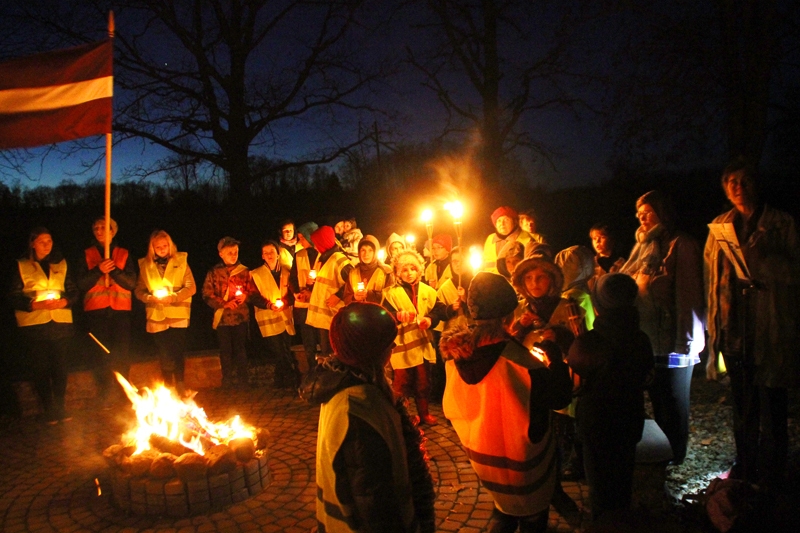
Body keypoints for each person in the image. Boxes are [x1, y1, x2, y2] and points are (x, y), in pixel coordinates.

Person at [441, 272, 572, 533]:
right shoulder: (523, 365)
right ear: (507, 317)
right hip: (526, 467)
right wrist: (555, 360)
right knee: (532, 518)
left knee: (504, 512)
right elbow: (560, 397)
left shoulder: (456, 359)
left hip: (486, 465)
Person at [705, 159, 800, 486]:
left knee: (773, 404)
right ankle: (745, 465)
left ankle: (776, 471)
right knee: (742, 405)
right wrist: (713, 329)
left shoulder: (780, 224)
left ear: (756, 184)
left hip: (770, 329)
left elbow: (795, 274)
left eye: (744, 180)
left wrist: (768, 261)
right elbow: (711, 280)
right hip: (735, 330)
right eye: (731, 180)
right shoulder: (719, 227)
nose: (738, 186)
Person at [301, 302, 436, 533]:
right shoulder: (360, 407)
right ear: (373, 351)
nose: (393, 347)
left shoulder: (343, 384)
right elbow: (374, 501)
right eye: (388, 343)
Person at [621, 190, 705, 465]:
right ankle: (663, 454)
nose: (641, 217)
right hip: (649, 339)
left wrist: (687, 343)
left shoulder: (681, 245)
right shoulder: (643, 248)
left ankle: (676, 455)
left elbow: (689, 295)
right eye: (639, 213)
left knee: (673, 402)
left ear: (662, 212)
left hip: (674, 340)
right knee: (657, 399)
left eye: (647, 212)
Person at [567, 273, 654, 521]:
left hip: (597, 424)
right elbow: (647, 377)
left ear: (599, 304)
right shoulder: (640, 339)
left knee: (599, 482)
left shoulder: (590, 342)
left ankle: (603, 521)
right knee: (623, 475)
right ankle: (622, 517)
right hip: (630, 419)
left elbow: (575, 384)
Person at [9, 228, 79, 424]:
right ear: (32, 244)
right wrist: (33, 304)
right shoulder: (21, 265)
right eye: (42, 241)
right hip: (34, 326)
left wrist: (65, 302)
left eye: (49, 241)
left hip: (60, 323)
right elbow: (12, 296)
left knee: (60, 367)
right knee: (40, 368)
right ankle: (48, 409)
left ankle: (60, 408)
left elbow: (73, 291)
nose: (47, 245)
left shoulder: (61, 264)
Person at [382, 250, 449, 426]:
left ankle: (424, 413)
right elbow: (384, 315)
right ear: (397, 272)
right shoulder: (391, 293)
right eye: (404, 269)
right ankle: (402, 416)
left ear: (419, 270)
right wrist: (398, 316)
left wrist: (430, 319)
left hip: (422, 347)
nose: (409, 272)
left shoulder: (428, 291)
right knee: (402, 383)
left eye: (413, 268)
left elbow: (439, 310)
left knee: (423, 381)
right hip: (402, 348)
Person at [76, 217, 137, 407]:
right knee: (100, 355)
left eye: (104, 227)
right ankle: (104, 394)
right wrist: (98, 270)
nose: (99, 230)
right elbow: (81, 284)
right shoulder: (86, 255)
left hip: (120, 312)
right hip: (96, 311)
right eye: (96, 228)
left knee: (122, 355)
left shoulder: (124, 254)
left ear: (113, 231)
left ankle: (124, 395)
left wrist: (114, 271)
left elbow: (131, 283)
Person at [135, 230, 196, 393]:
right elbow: (139, 290)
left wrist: (173, 297)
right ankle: (169, 388)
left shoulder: (181, 260)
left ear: (170, 246)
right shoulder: (145, 265)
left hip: (177, 315)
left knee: (178, 351)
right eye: (158, 247)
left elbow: (191, 287)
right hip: (157, 316)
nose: (162, 249)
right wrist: (149, 298)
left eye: (165, 245)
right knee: (164, 354)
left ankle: (181, 385)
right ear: (152, 248)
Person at [202, 236, 257, 388]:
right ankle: (227, 380)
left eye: (236, 252)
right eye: (230, 252)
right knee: (225, 350)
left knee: (241, 349)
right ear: (221, 254)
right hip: (223, 319)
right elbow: (207, 294)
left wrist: (246, 296)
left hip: (240, 317)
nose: (234, 255)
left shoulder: (245, 271)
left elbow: (253, 292)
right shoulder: (214, 272)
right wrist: (224, 303)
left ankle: (243, 380)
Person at [251, 240, 298, 389]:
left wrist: (285, 301)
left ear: (278, 254)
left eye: (272, 252)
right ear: (262, 256)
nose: (269, 255)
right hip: (268, 317)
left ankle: (280, 380)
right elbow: (253, 296)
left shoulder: (287, 271)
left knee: (285, 348)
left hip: (285, 316)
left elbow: (293, 292)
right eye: (266, 253)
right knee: (278, 350)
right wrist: (268, 305)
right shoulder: (255, 274)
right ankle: (292, 377)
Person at [306, 226, 353, 359]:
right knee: (327, 354)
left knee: (335, 354)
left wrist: (338, 295)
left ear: (323, 242)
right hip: (325, 318)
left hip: (334, 317)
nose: (315, 247)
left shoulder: (339, 259)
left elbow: (354, 281)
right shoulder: (322, 257)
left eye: (316, 244)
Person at [289, 222, 321, 373]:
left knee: (323, 341)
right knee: (309, 343)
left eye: (302, 238)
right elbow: (293, 277)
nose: (300, 242)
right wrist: (296, 292)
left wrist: (312, 288)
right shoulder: (299, 255)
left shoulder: (322, 254)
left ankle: (325, 372)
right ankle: (313, 372)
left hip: (320, 304)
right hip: (303, 306)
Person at [343, 235, 393, 304]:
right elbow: (346, 298)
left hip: (377, 313)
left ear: (375, 252)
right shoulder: (353, 273)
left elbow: (391, 298)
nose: (366, 254)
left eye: (370, 250)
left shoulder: (386, 272)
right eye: (363, 250)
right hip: (357, 313)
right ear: (359, 252)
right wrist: (354, 297)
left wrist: (369, 295)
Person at [482, 206, 533, 274]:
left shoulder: (527, 239)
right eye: (499, 221)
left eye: (506, 220)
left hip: (514, 282)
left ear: (514, 222)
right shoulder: (490, 239)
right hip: (492, 282)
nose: (502, 224)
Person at [588, 223, 626, 293]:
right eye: (594, 238)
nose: (597, 242)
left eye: (602, 237)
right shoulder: (590, 263)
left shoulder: (621, 263)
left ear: (612, 240)